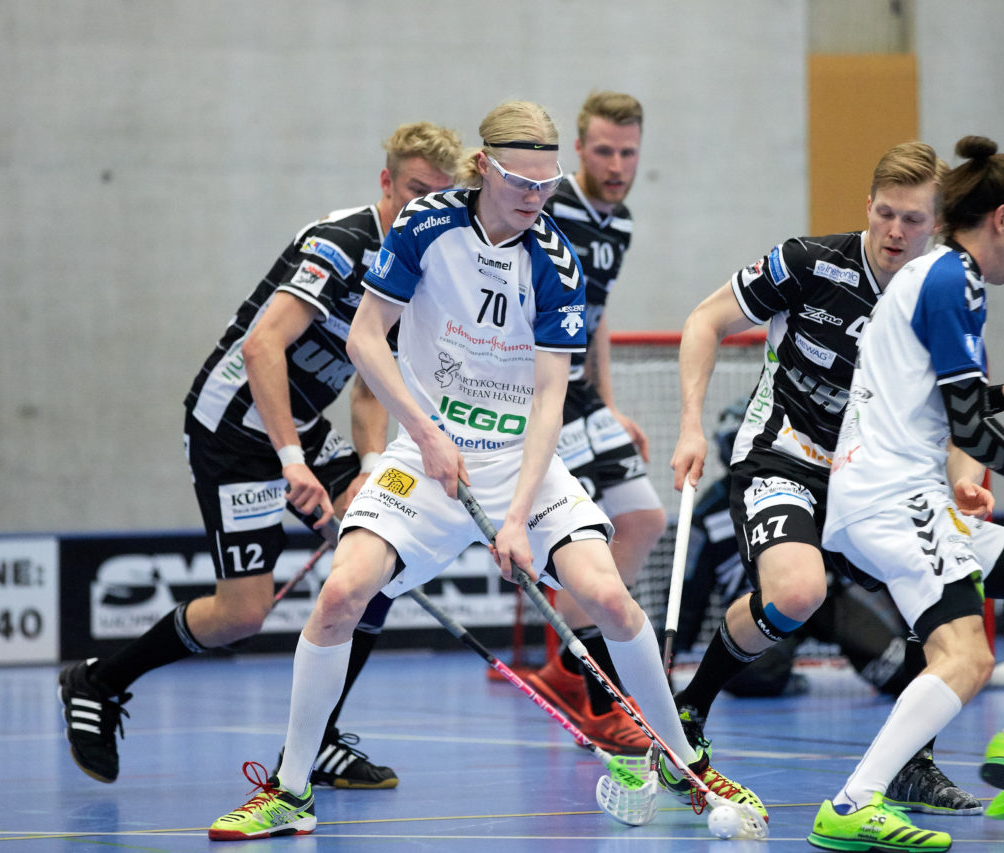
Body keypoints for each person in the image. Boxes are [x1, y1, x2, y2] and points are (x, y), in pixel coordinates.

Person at [208, 100, 765, 842]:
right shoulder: (425, 225)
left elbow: (547, 400)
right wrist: (424, 432)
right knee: (341, 592)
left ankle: (685, 760)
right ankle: (291, 789)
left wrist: (514, 514)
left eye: (546, 184)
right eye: (520, 183)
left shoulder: (557, 259)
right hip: (423, 454)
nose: (535, 197)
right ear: (484, 168)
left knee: (607, 594)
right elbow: (367, 340)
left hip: (520, 461)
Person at [57, 122, 462, 789]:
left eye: (438, 200)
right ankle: (98, 681)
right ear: (386, 181)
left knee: (379, 559)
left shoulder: (412, 264)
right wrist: (292, 462)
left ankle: (319, 740)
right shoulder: (341, 244)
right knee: (242, 613)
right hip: (238, 432)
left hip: (303, 425)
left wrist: (365, 471)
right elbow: (261, 347)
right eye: (414, 193)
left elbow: (369, 384)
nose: (422, 212)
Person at [807, 135, 1004, 852]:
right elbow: (969, 432)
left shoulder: (947, 278)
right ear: (1000, 218)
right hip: (891, 495)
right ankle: (854, 803)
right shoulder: (952, 281)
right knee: (967, 657)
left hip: (906, 494)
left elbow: (951, 395)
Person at [669, 141, 984, 815]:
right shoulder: (807, 263)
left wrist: (966, 482)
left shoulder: (944, 299)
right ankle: (690, 709)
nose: (897, 232)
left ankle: (911, 764)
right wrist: (692, 424)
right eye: (887, 215)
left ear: (938, 224)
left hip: (876, 481)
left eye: (914, 220)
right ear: (868, 207)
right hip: (782, 455)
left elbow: (962, 417)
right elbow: (705, 320)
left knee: (939, 599)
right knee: (798, 590)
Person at [524, 91, 666, 755]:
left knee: (642, 519)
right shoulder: (548, 207)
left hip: (580, 391)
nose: (616, 164)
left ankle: (562, 669)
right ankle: (601, 702)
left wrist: (607, 402)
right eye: (604, 150)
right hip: (530, 391)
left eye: (628, 151)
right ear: (578, 150)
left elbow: (596, 313)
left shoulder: (624, 222)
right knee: (585, 536)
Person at [676, 402, 913, 700]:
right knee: (751, 676)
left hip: (825, 599)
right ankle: (707, 699)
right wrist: (672, 654)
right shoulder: (707, 513)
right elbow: (690, 589)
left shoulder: (809, 485)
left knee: (897, 669)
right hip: (761, 608)